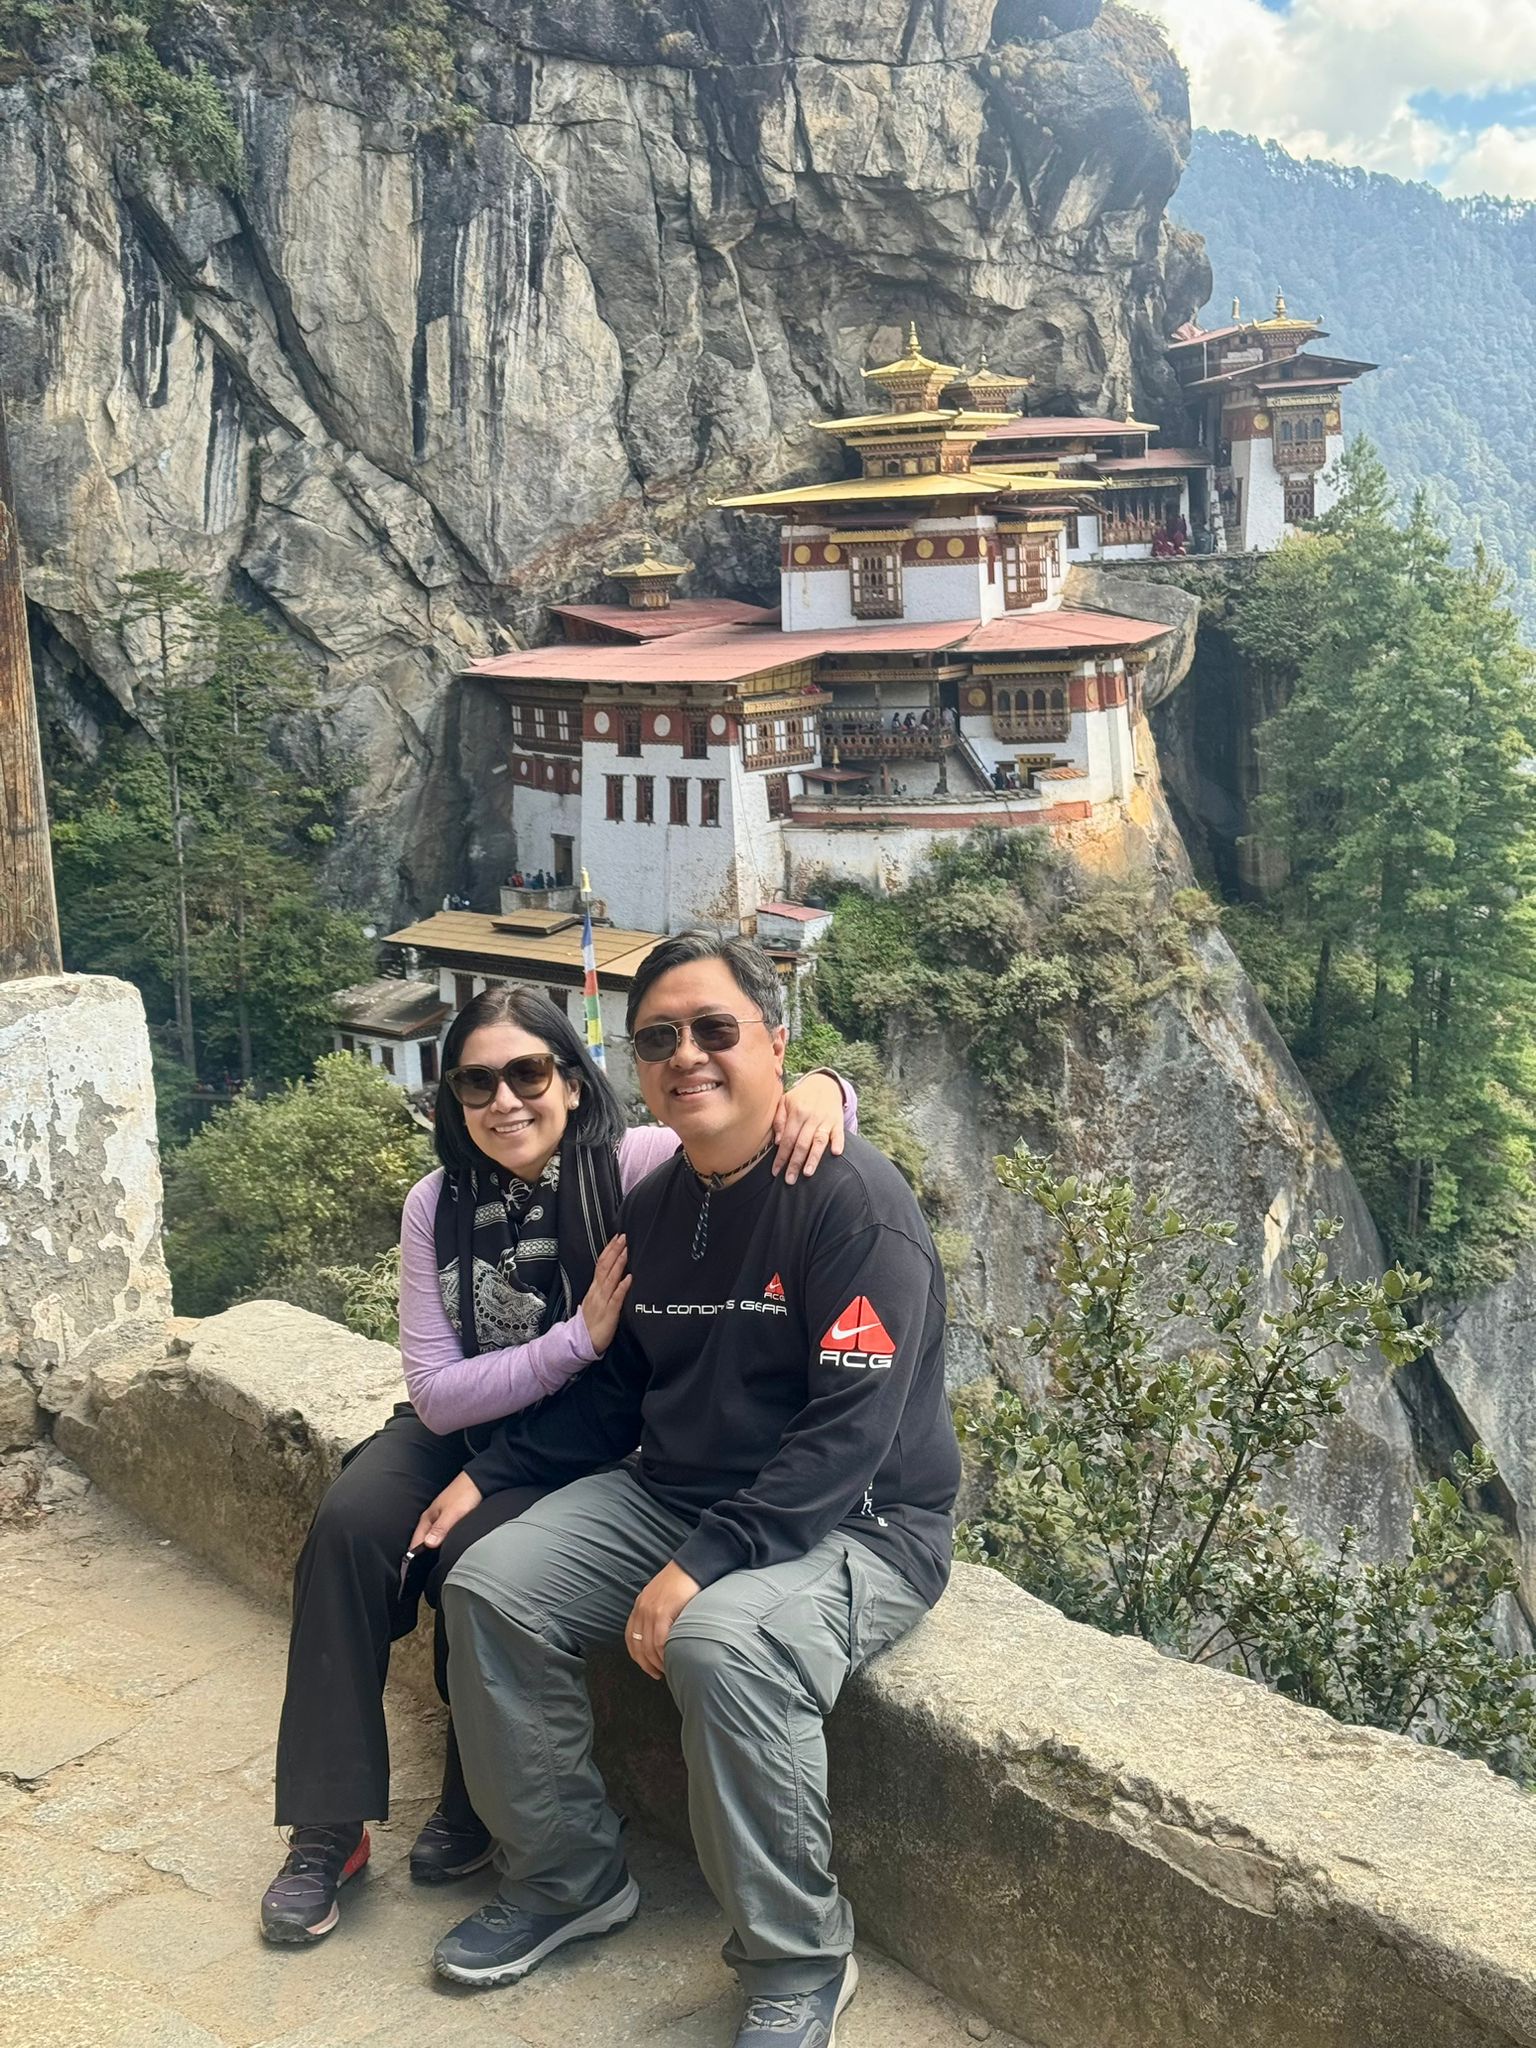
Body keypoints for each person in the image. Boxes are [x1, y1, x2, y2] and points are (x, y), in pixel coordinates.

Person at [424, 933, 961, 2048]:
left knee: (722, 1643)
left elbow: (850, 1433)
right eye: (659, 1037)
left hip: (856, 1522)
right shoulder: (663, 1201)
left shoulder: (853, 1204)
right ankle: (570, 1878)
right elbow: (621, 1390)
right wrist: (491, 1475)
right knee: (491, 1583)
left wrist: (702, 1562)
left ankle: (798, 1955)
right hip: (675, 1492)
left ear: (776, 1041)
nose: (687, 1056)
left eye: (715, 1029)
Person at [258, 982, 853, 1946]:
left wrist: (827, 1087)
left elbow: (754, 1121)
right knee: (350, 1528)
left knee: (475, 1562)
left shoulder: (636, 1163)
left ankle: (477, 1801)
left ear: (572, 1082)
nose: (506, 1101)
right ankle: (329, 1824)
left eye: (528, 1073)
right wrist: (577, 1338)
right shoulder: (435, 1205)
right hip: (463, 1427)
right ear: (454, 1100)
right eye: (477, 1082)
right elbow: (440, 1390)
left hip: (588, 1439)